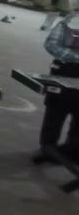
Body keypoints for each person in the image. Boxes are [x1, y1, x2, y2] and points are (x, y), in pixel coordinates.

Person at [33, 15, 79, 164]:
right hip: (64, 70)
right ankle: (48, 148)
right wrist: (74, 56)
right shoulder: (69, 22)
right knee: (54, 112)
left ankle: (71, 151)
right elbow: (51, 44)